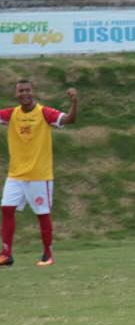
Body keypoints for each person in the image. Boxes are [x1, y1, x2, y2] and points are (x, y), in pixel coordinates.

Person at [0, 82, 78, 267]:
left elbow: (69, 120)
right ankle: (6, 255)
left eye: (27, 90)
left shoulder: (44, 113)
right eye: (21, 90)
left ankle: (47, 255)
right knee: (6, 209)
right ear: (16, 93)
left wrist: (74, 102)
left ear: (32, 92)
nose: (24, 93)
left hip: (39, 175)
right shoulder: (11, 114)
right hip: (16, 175)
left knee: (42, 214)